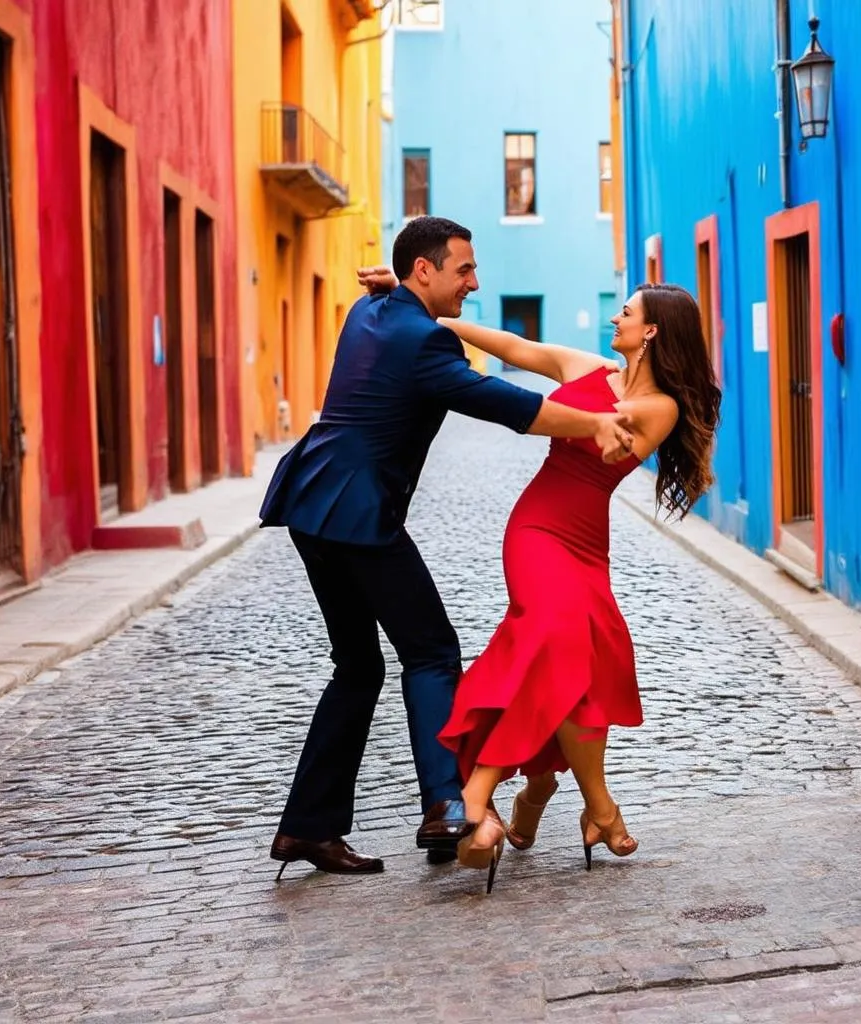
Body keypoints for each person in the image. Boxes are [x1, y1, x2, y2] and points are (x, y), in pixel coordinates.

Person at [259, 216, 636, 880]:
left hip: (310, 501)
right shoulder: (426, 345)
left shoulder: (369, 310)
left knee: (357, 667)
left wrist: (397, 288)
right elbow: (508, 406)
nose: (475, 280)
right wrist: (597, 421)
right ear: (425, 271)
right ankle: (446, 805)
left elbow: (414, 316)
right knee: (431, 651)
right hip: (358, 512)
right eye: (463, 269)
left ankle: (306, 828)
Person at [359, 269, 721, 894]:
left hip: (585, 544)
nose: (616, 317)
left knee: (588, 660)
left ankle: (546, 796)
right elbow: (513, 347)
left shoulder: (659, 406)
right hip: (534, 530)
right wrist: (423, 309)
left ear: (651, 331)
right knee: (554, 636)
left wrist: (545, 410)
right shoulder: (584, 368)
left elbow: (592, 430)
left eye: (627, 312)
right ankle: (505, 791)